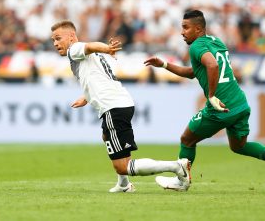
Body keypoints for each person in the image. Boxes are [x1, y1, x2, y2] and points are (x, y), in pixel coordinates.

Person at [51, 20, 191, 193]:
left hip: (113, 106)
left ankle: (177, 167)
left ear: (71, 36)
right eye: (53, 40)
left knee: (122, 166)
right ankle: (123, 185)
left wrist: (106, 49)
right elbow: (96, 77)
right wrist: (86, 98)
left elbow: (90, 46)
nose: (55, 43)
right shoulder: (84, 57)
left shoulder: (75, 49)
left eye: (58, 38)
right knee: (106, 135)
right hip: (119, 103)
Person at [144, 10, 265, 191]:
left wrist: (211, 95)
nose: (182, 32)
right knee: (239, 146)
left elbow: (212, 65)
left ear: (199, 29)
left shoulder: (196, 46)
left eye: (186, 27)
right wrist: (164, 64)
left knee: (187, 139)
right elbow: (194, 72)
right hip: (240, 103)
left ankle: (181, 181)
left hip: (221, 106)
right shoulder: (216, 41)